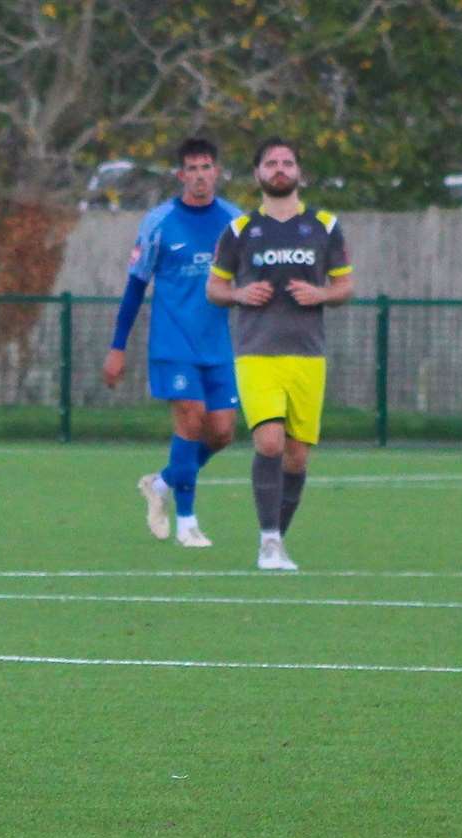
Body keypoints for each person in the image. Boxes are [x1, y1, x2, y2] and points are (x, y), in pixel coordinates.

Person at [206, 136, 354, 571]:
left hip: (308, 356)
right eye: (271, 162)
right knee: (268, 441)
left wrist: (322, 293)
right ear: (257, 174)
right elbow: (214, 288)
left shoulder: (325, 226)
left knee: (297, 456)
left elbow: (346, 286)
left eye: (287, 162)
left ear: (299, 172)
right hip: (256, 353)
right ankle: (268, 542)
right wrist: (237, 293)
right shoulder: (239, 231)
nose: (279, 168)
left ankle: (276, 540)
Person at [103, 138, 243, 548]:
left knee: (221, 433)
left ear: (217, 172)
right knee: (191, 419)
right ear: (181, 175)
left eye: (207, 167)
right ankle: (187, 523)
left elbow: (251, 279)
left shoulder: (235, 222)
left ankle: (161, 482)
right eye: (192, 169)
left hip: (216, 346)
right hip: (173, 343)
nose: (200, 176)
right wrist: (117, 347)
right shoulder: (159, 221)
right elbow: (135, 287)